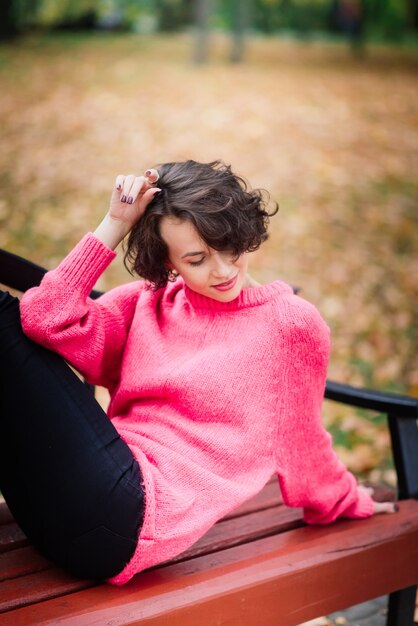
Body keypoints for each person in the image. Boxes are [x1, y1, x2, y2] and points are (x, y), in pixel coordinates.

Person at [0, 159, 396, 586]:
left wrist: (346, 499)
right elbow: (43, 317)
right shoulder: (145, 304)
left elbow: (302, 438)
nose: (223, 270)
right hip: (47, 514)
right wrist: (115, 223)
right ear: (168, 262)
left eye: (230, 247)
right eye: (197, 259)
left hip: (122, 522)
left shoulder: (289, 325)